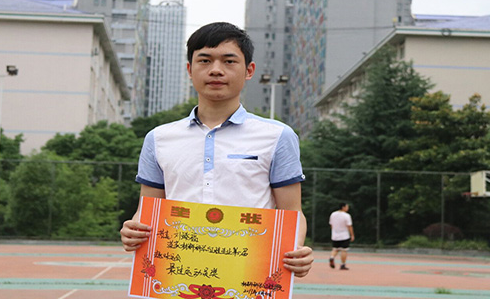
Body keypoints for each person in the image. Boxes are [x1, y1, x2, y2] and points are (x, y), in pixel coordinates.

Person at [120, 22, 313, 278]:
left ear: (249, 70)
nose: (216, 70)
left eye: (229, 61)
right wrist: (134, 229)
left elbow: (292, 212)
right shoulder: (158, 138)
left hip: (249, 276)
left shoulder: (278, 136)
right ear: (189, 70)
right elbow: (148, 209)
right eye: (205, 60)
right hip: (177, 274)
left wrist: (296, 249)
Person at [328, 203, 354, 270]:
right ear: (343, 207)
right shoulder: (347, 215)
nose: (347, 208)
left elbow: (331, 225)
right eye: (347, 207)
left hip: (334, 235)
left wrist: (334, 231)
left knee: (335, 249)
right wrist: (352, 235)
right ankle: (342, 264)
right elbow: (349, 226)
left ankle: (332, 257)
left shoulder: (333, 214)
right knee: (344, 250)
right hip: (344, 236)